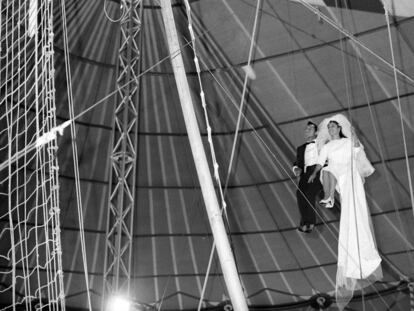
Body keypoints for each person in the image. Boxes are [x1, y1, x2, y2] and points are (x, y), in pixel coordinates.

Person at [308, 114, 382, 310]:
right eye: (330, 126)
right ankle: (329, 196)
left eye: (334, 125)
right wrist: (314, 173)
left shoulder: (347, 141)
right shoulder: (326, 147)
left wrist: (355, 136)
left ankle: (363, 255)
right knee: (326, 170)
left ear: (339, 128)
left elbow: (357, 150)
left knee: (353, 209)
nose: (332, 128)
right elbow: (320, 163)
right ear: (328, 130)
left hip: (349, 173)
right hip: (336, 174)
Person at [292, 121, 323, 233]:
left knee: (309, 193)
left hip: (318, 170)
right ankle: (304, 222)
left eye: (310, 128)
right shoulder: (300, 148)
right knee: (300, 194)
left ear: (316, 132)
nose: (307, 130)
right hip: (305, 173)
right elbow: (296, 163)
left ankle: (310, 222)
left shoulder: (321, 144)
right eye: (306, 129)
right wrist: (296, 169)